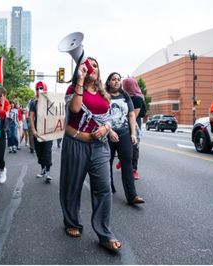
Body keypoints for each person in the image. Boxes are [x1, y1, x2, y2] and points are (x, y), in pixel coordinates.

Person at [59, 57, 121, 252]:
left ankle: (104, 234)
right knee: (72, 186)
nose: (92, 67)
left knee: (103, 188)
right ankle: (72, 222)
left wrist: (106, 127)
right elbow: (75, 108)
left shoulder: (104, 94)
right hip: (76, 144)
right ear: (81, 69)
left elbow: (108, 117)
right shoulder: (73, 89)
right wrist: (79, 80)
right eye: (88, 65)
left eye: (95, 65)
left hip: (100, 147)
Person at [106, 72, 145, 204]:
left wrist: (133, 133)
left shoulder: (125, 95)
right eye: (113, 79)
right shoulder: (104, 95)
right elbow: (101, 115)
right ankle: (108, 188)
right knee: (107, 162)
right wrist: (110, 131)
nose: (116, 81)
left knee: (127, 163)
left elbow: (131, 115)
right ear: (109, 82)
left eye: (118, 79)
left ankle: (132, 196)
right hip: (108, 134)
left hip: (124, 133)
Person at [28, 81, 54, 182]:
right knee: (39, 152)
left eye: (41, 88)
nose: (39, 90)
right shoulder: (33, 103)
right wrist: (33, 130)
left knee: (47, 151)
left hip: (48, 132)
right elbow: (31, 117)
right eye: (38, 88)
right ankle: (43, 168)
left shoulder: (50, 101)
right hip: (37, 132)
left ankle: (48, 171)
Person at [123, 77, 146, 180]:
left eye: (125, 85)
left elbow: (134, 116)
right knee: (124, 146)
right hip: (124, 123)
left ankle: (134, 170)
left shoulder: (137, 98)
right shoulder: (124, 97)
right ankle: (123, 161)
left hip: (134, 124)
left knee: (134, 146)